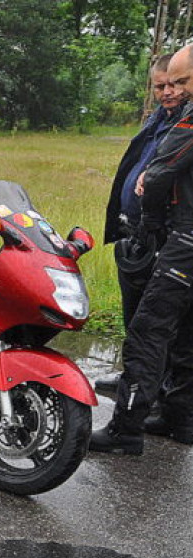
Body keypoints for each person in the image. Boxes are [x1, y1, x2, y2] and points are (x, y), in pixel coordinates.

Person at [91, 44, 193, 454]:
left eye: (183, 81)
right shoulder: (167, 117)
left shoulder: (189, 120)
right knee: (186, 335)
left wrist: (150, 226)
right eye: (169, 83)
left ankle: (125, 430)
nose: (176, 90)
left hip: (182, 241)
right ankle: (180, 418)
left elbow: (157, 175)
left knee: (147, 332)